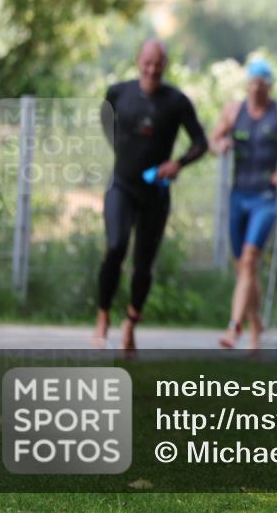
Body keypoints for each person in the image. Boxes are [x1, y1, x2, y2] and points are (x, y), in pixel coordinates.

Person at [93, 39, 208, 354]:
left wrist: (178, 163)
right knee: (116, 246)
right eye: (147, 62)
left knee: (144, 263)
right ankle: (102, 315)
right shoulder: (118, 93)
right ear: (137, 61)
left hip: (155, 194)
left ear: (165, 65)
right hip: (122, 186)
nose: (152, 69)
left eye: (158, 64)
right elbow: (106, 123)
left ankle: (130, 323)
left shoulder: (177, 102)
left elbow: (201, 142)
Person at [209, 59, 277, 350]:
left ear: (269, 86)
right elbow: (213, 140)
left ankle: (234, 327)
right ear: (246, 84)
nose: (256, 90)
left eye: (261, 85)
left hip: (265, 197)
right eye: (252, 84)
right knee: (243, 266)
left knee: (250, 258)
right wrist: (221, 146)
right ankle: (256, 328)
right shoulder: (232, 111)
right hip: (238, 195)